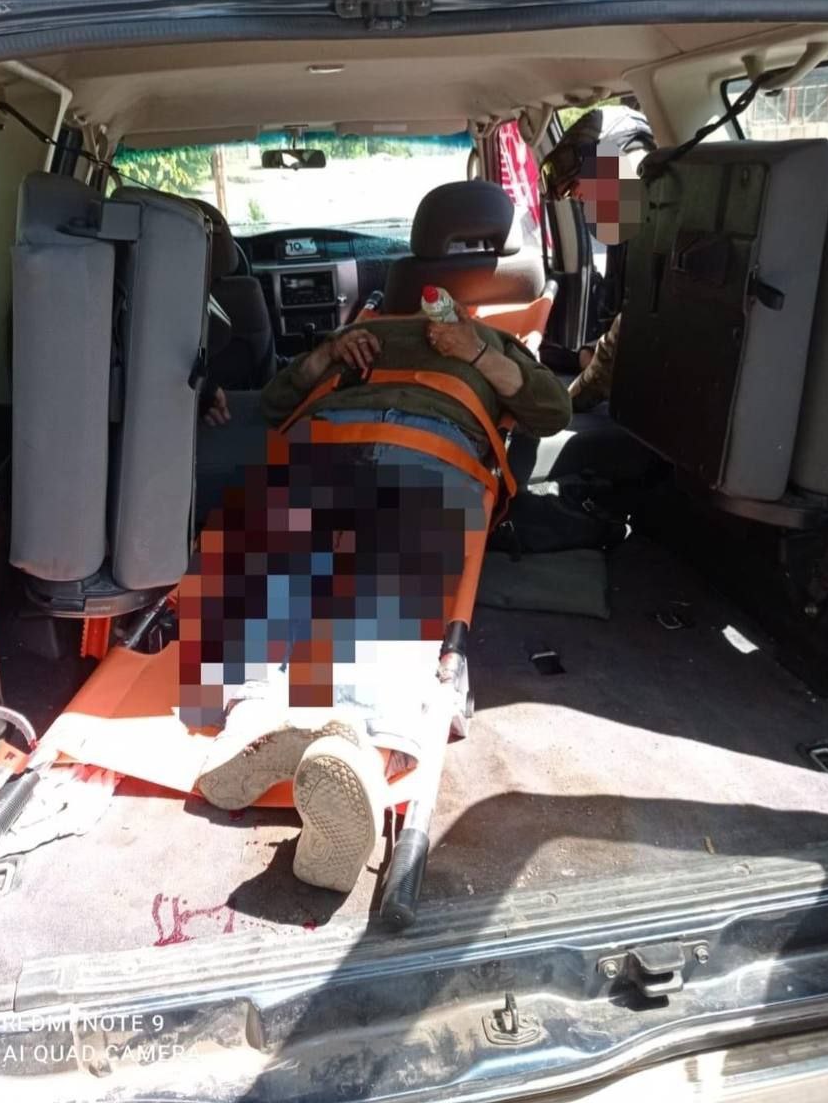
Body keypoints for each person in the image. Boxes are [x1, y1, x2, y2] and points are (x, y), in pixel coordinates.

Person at [190, 300, 571, 894]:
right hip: (322, 444)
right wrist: (328, 353)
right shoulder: (360, 328)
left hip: (428, 446)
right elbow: (274, 403)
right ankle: (258, 724)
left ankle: (353, 758)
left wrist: (475, 352)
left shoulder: (492, 339)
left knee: (379, 582)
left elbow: (552, 410)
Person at [539, 105, 655, 411]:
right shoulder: (631, 230)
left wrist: (563, 404)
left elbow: (629, 333)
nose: (577, 198)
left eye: (576, 184)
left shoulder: (659, 230)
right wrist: (584, 355)